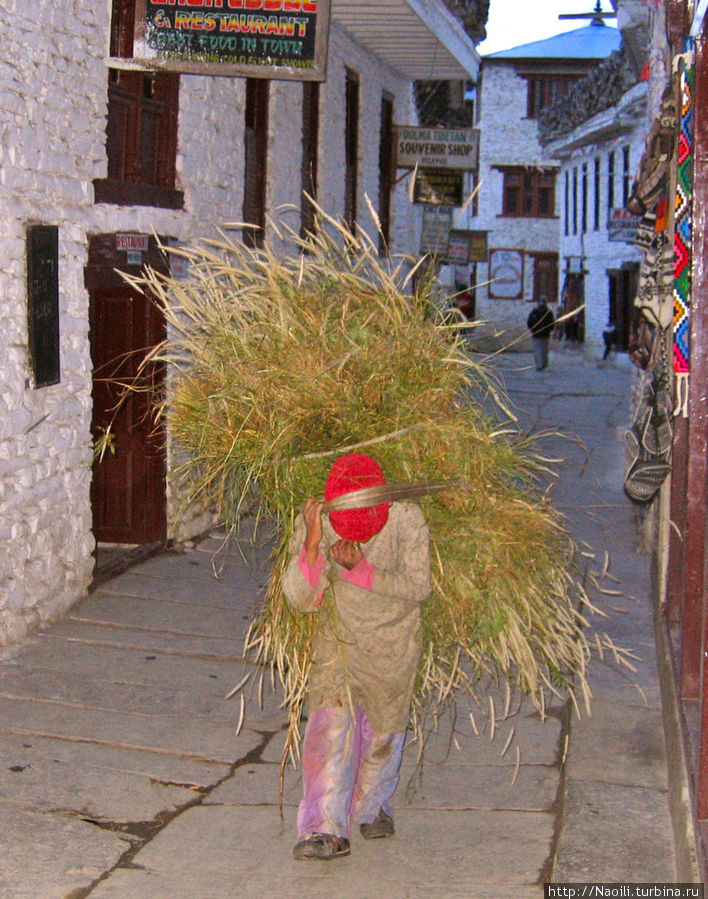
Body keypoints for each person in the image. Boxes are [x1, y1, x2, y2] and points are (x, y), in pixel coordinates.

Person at [281, 453, 431, 861]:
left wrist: (361, 568)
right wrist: (313, 543)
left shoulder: (406, 517)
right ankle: (323, 828)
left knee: (383, 729)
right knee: (330, 731)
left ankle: (373, 805)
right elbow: (301, 600)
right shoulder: (318, 518)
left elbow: (420, 587)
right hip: (339, 640)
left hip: (393, 641)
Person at [526, 296, 555, 371]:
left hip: (538, 334)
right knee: (544, 350)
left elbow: (529, 323)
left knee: (539, 350)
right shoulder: (548, 312)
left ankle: (540, 365)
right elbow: (552, 323)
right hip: (544, 334)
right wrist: (549, 330)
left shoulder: (535, 312)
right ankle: (543, 365)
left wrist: (533, 330)